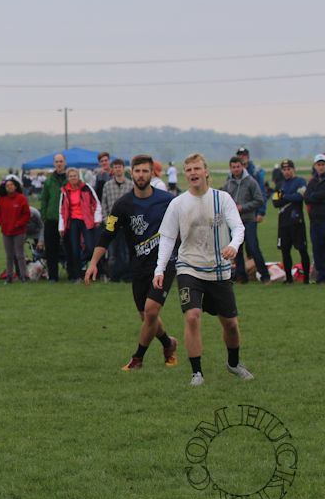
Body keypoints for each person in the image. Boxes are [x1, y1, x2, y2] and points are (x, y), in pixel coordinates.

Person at [153, 153, 251, 386]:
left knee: (230, 324)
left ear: (206, 171)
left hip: (219, 270)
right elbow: (167, 237)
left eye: (197, 168)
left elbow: (238, 228)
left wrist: (233, 245)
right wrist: (159, 269)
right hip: (189, 267)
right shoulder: (178, 203)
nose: (193, 173)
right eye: (188, 170)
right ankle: (197, 373)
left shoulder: (222, 198)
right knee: (192, 317)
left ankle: (234, 363)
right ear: (185, 174)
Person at [84, 155, 179, 371]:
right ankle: (168, 343)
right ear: (132, 173)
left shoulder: (167, 200)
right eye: (137, 171)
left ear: (152, 174)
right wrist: (93, 263)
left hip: (164, 264)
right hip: (138, 266)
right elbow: (107, 234)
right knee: (146, 316)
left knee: (151, 311)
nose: (141, 175)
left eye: (145, 171)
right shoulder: (122, 205)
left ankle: (137, 359)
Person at [222, 155, 268, 283]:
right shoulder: (228, 183)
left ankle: (265, 275)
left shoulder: (251, 181)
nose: (236, 169)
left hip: (248, 220)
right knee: (236, 249)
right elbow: (224, 199)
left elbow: (259, 199)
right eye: (233, 167)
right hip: (234, 222)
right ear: (230, 168)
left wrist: (243, 207)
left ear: (242, 166)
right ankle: (241, 277)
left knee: (253, 248)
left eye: (238, 166)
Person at [59, 168, 101, 283]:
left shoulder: (86, 188)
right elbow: (61, 210)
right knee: (74, 249)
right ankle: (77, 275)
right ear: (68, 178)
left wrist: (97, 219)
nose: (73, 178)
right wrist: (61, 227)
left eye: (75, 176)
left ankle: (89, 269)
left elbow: (96, 203)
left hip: (86, 220)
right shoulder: (65, 191)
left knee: (90, 248)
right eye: (71, 176)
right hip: (72, 221)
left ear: (78, 177)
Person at [272, 159, 310, 284]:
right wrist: (290, 196)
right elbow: (275, 202)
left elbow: (300, 197)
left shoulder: (300, 181)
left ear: (294, 169)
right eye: (284, 170)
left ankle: (306, 279)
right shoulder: (280, 184)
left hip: (297, 221)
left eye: (289, 169)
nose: (287, 172)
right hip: (283, 222)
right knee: (285, 251)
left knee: (302, 250)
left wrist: (284, 196)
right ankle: (289, 279)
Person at [0, 175, 30, 283]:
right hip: (6, 231)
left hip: (19, 231)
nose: (9, 187)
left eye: (11, 185)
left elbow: (26, 214)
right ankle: (9, 276)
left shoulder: (21, 198)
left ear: (15, 186)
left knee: (20, 255)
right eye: (7, 185)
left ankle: (24, 275)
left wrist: (19, 224)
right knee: (9, 255)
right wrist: (2, 224)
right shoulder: (2, 199)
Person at [38, 154, 67, 282]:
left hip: (67, 219)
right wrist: (44, 215)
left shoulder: (70, 179)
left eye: (61, 161)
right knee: (51, 249)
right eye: (57, 162)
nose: (59, 164)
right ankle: (53, 276)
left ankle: (73, 274)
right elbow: (44, 199)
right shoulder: (49, 181)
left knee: (70, 247)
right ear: (54, 163)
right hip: (52, 218)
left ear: (65, 163)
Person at [308, 153, 325, 284]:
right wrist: (321, 197)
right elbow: (306, 198)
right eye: (318, 164)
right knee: (318, 249)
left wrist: (315, 196)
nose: (320, 167)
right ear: (315, 166)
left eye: (323, 164)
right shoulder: (312, 182)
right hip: (315, 221)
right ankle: (323, 276)